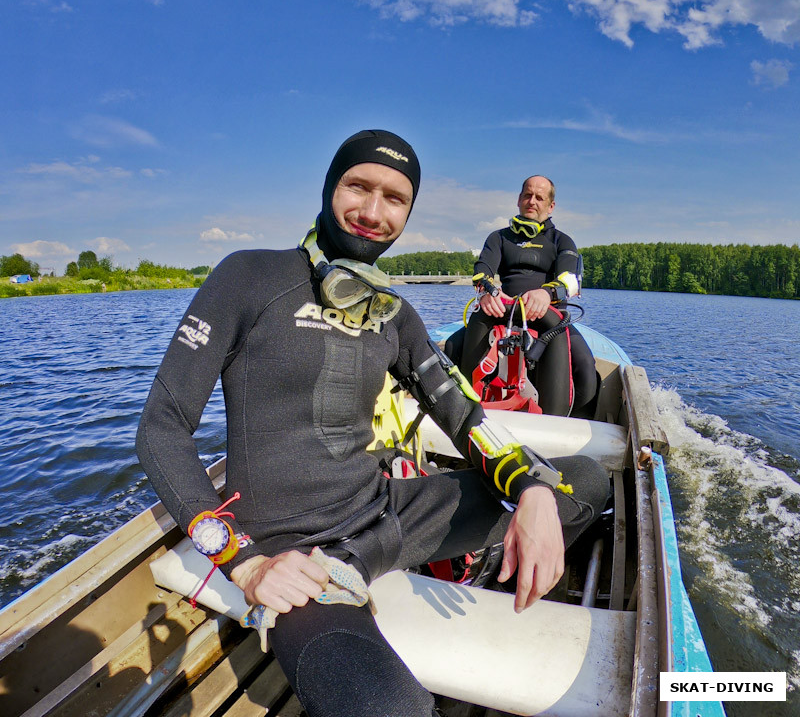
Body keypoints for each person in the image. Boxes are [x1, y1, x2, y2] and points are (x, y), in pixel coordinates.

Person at [136, 131, 609, 717]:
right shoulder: (248, 278)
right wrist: (244, 562)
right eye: (358, 187)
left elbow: (464, 414)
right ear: (331, 186)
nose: (372, 212)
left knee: (585, 481)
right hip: (295, 560)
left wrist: (532, 488)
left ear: (408, 213)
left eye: (394, 199)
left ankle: (492, 558)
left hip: (385, 517)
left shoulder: (394, 314)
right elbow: (161, 428)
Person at [457, 175, 597, 416]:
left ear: (551, 206)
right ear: (519, 199)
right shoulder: (498, 238)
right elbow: (483, 270)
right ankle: (460, 416)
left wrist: (547, 293)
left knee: (585, 367)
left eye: (540, 197)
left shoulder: (561, 240)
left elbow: (570, 281)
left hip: (550, 319)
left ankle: (575, 430)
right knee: (450, 348)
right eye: (527, 195)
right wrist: (488, 292)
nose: (532, 201)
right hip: (502, 313)